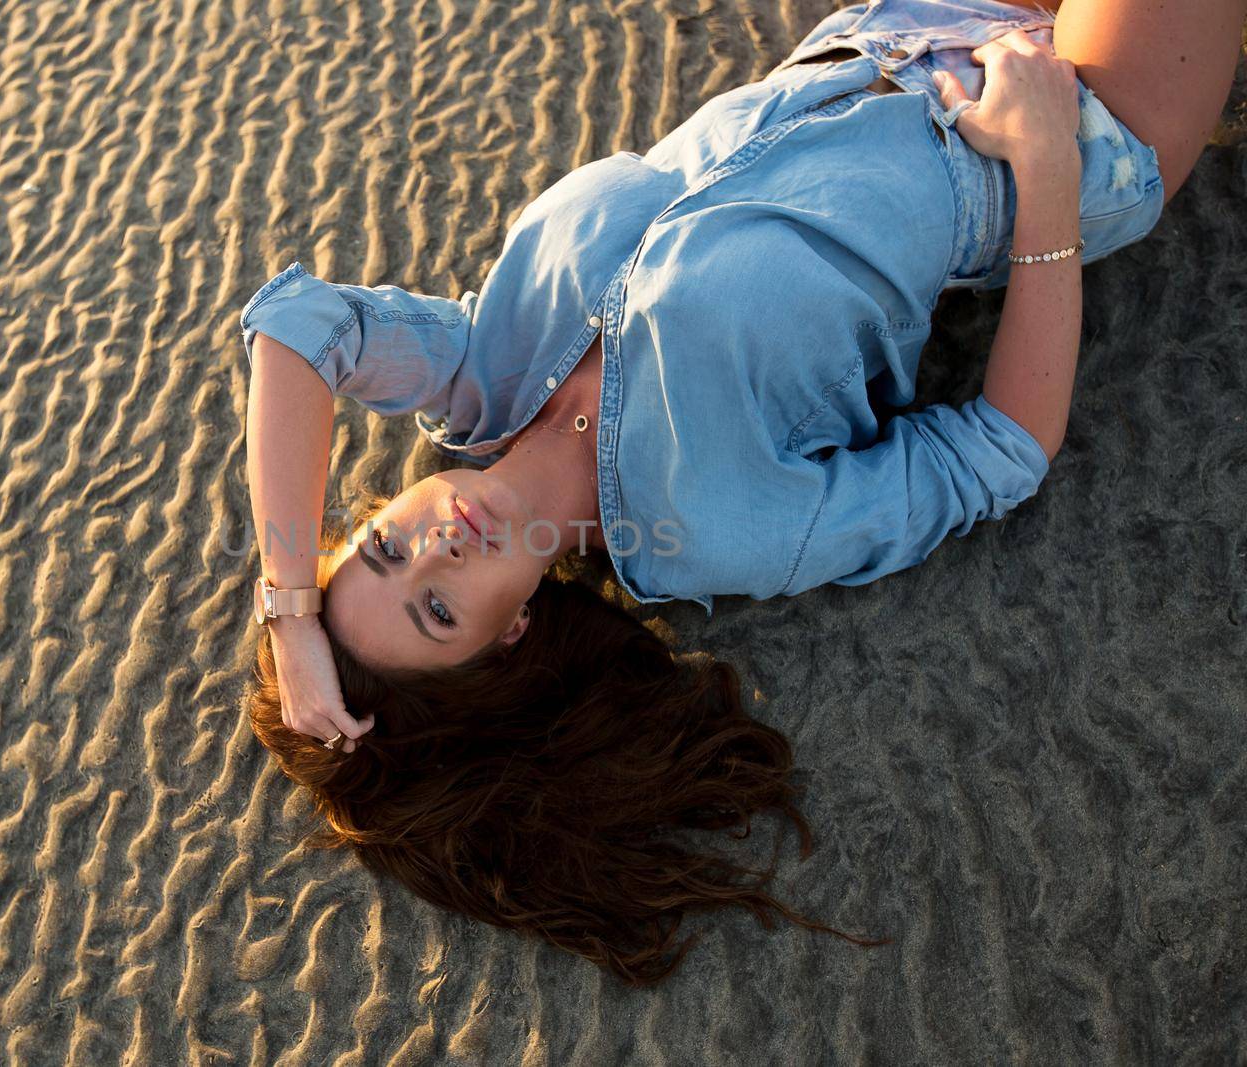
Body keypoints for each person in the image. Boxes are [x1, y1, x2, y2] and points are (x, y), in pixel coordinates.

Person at [236, 0, 1247, 983]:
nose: (434, 548)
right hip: (1075, 119)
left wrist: (289, 609)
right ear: (511, 634)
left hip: (895, 25)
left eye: (382, 549)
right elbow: (1000, 451)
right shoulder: (712, 524)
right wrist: (1044, 167)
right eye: (438, 607)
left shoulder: (478, 366)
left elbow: (298, 322)